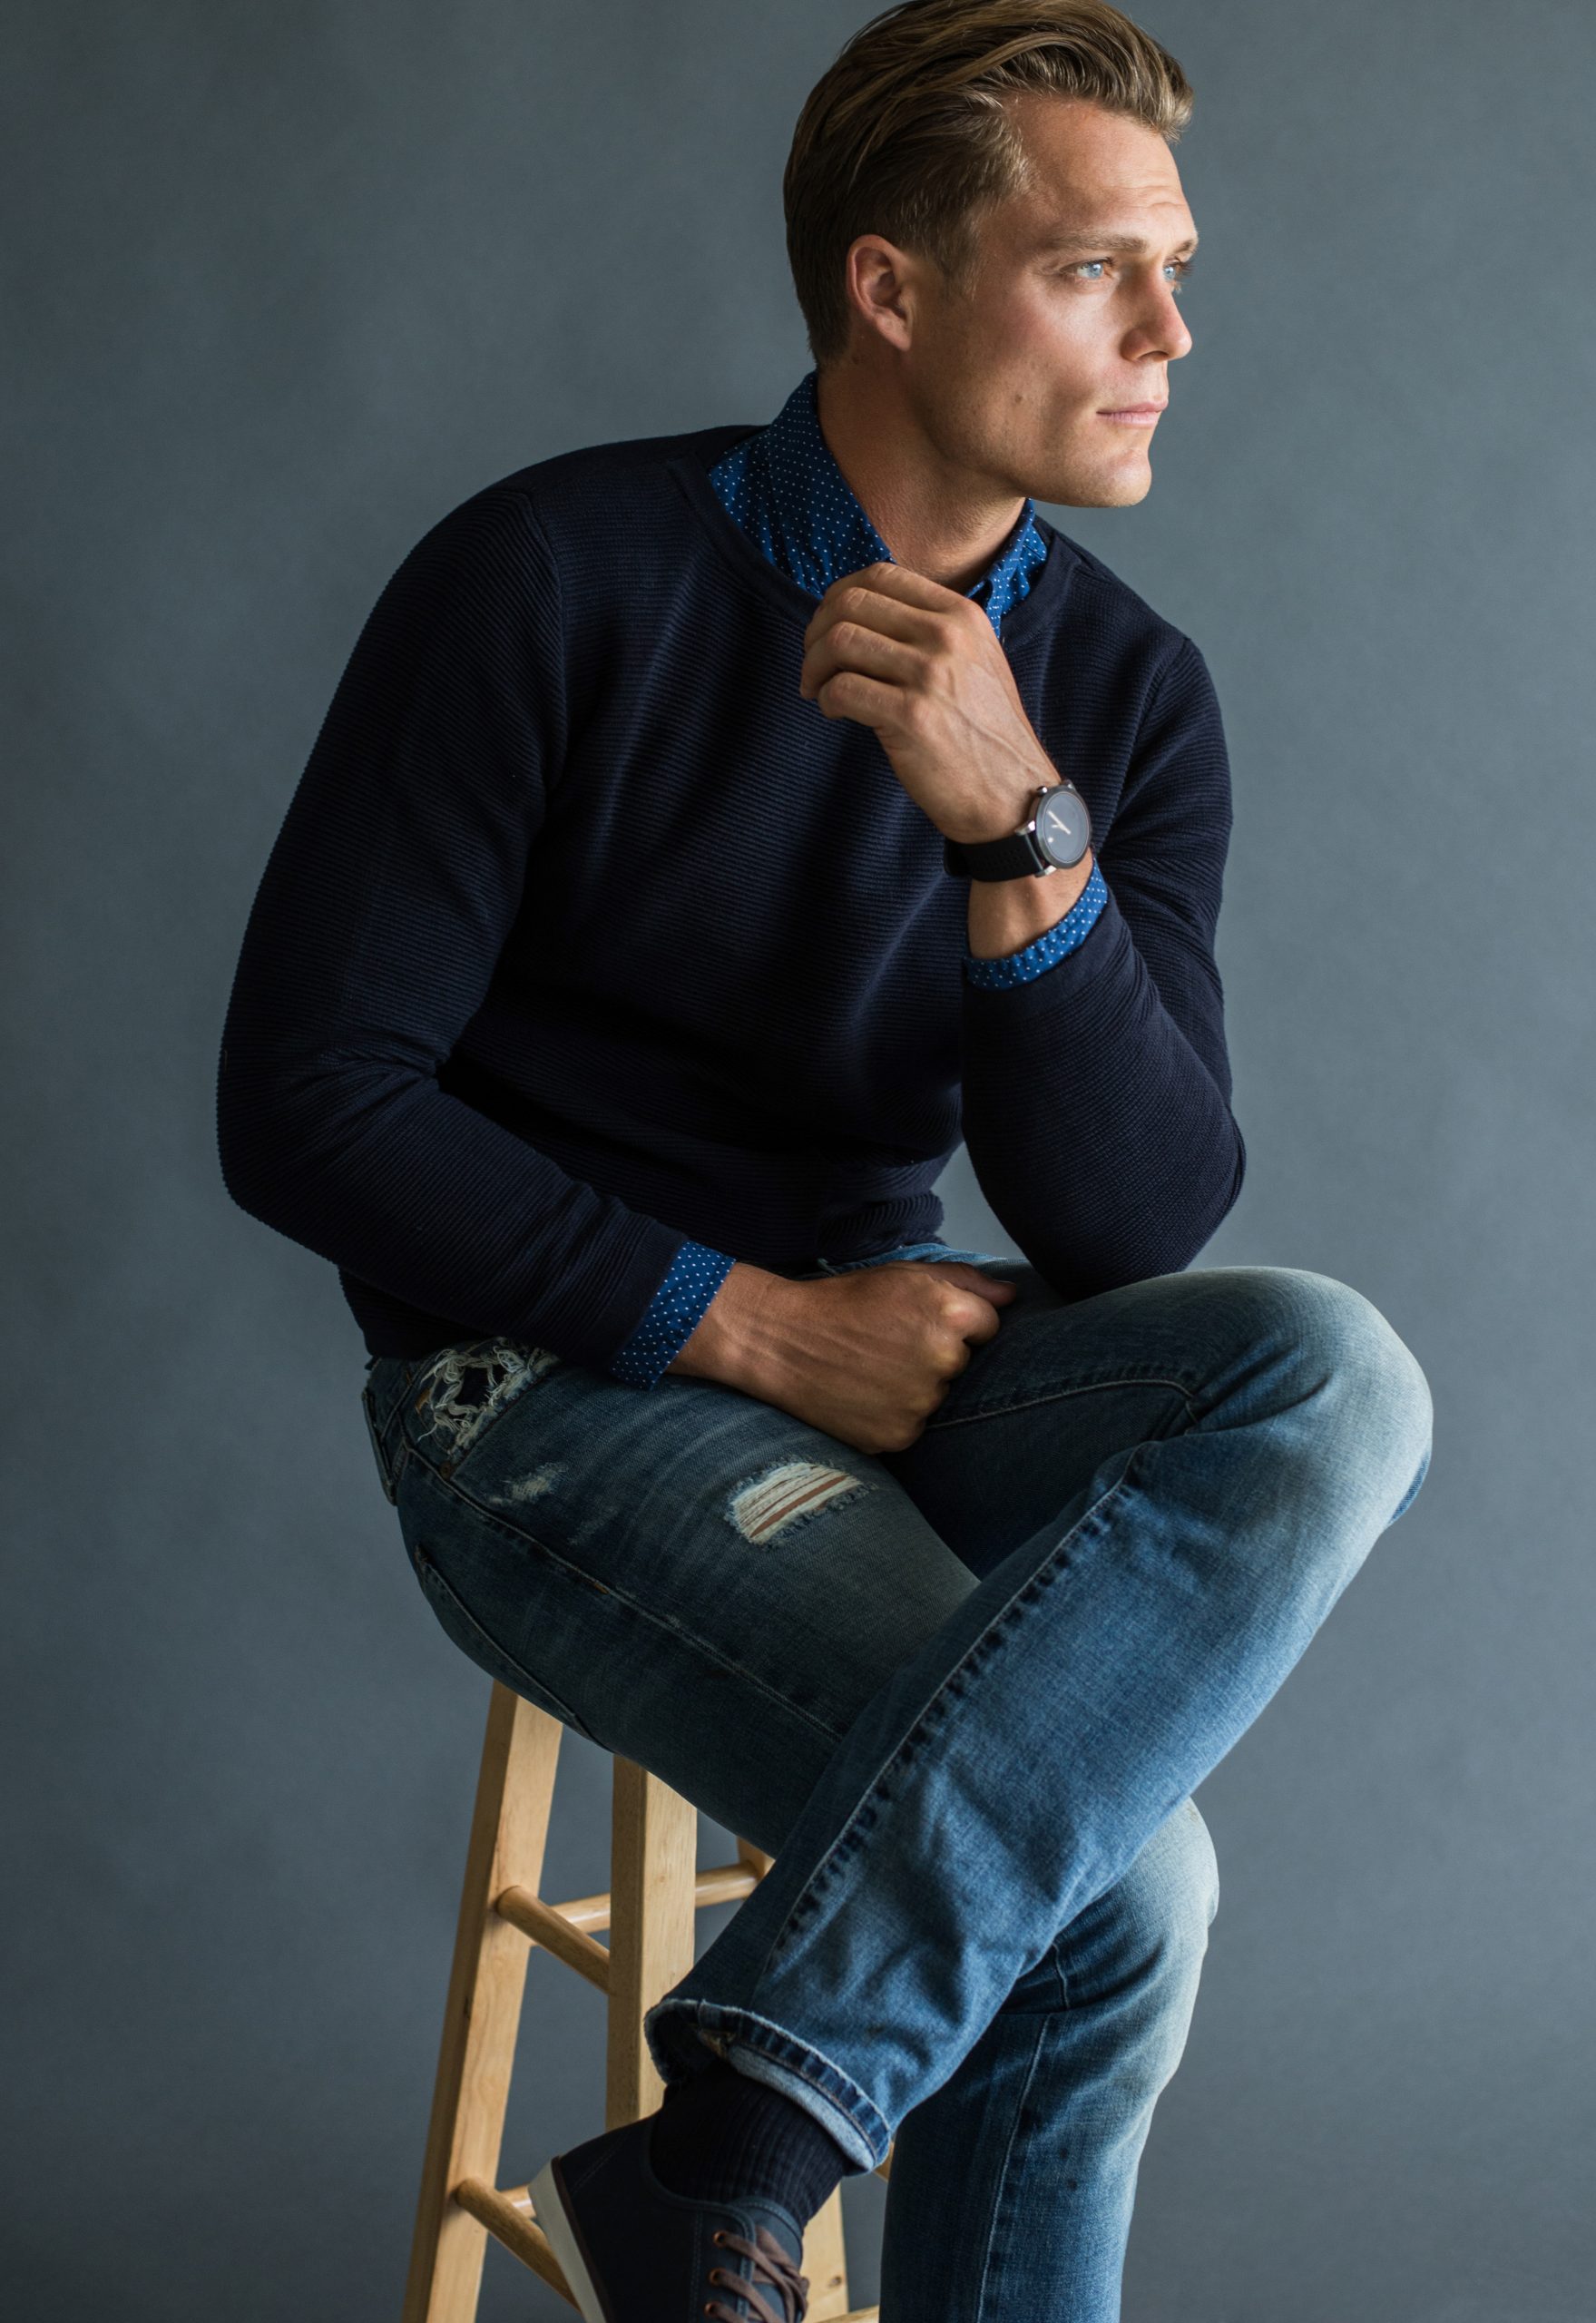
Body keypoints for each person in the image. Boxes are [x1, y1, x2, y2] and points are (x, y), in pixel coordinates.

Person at [216, 3, 1434, 2316]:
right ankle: (746, 2143)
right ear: (891, 287)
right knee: (1122, 1896)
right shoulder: (550, 572)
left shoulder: (1125, 699)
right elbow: (308, 1094)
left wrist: (1019, 829)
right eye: (1095, 270)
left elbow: (1134, 1219)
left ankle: (737, 2136)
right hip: (547, 1396)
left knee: (1332, 1370)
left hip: (900, 1370)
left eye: (1177, 271)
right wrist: (747, 1323)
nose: (1172, 336)